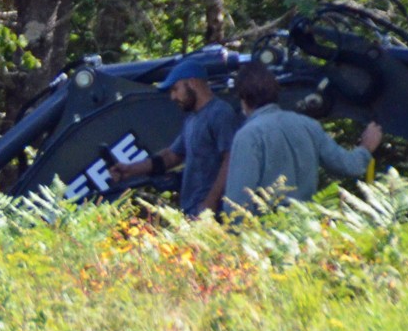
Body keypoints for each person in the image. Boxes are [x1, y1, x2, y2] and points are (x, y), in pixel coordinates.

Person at [222, 61, 382, 212]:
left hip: (265, 227)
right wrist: (366, 147)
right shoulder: (308, 125)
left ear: (243, 99)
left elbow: (237, 203)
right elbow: (348, 166)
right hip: (304, 225)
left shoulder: (248, 136)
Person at [109, 60, 244, 216]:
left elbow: (230, 159)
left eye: (175, 89)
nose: (173, 97)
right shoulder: (192, 120)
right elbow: (171, 156)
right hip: (192, 209)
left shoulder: (220, 113)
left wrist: (210, 202)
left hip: (214, 212)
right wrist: (130, 170)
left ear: (192, 83)